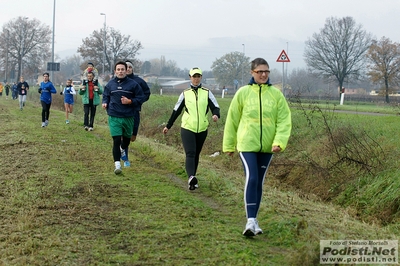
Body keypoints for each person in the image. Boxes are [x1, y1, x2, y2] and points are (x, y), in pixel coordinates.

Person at [222, 58, 292, 237]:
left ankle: (254, 220)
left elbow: (284, 121)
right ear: (252, 73)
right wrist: (229, 145)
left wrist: (279, 142)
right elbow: (232, 120)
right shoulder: (243, 93)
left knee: (259, 182)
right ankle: (250, 220)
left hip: (268, 147)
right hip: (246, 144)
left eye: (266, 71)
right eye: (259, 71)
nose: (263, 75)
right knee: (252, 177)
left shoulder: (276, 95)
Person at [162, 67, 220, 190]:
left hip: (202, 129)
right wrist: (168, 125)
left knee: (196, 154)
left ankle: (192, 179)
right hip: (188, 127)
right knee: (191, 153)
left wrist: (216, 115)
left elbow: (215, 107)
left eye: (198, 76)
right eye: (194, 76)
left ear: (201, 78)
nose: (196, 79)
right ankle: (191, 177)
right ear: (190, 77)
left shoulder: (207, 92)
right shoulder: (185, 94)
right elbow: (176, 111)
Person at [102, 61, 145, 174]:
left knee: (126, 140)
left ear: (126, 71)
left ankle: (123, 148)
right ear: (115, 71)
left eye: (122, 69)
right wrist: (105, 102)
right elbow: (106, 95)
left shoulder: (133, 84)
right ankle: (117, 165)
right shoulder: (110, 84)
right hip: (114, 115)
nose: (120, 71)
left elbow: (141, 98)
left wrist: (130, 101)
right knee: (116, 140)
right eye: (118, 69)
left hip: (128, 116)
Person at [122, 60, 151, 167]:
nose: (128, 69)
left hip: (134, 111)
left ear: (132, 69)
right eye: (126, 67)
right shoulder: (119, 81)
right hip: (121, 112)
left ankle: (123, 149)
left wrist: (137, 101)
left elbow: (147, 93)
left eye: (130, 67)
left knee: (132, 137)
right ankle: (125, 157)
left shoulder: (139, 81)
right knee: (123, 135)